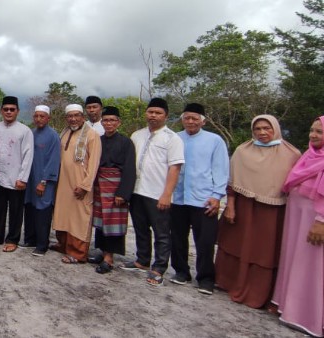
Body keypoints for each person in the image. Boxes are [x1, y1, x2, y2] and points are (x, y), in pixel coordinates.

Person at [215, 115, 300, 308]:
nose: (262, 133)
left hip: (272, 211)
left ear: (276, 129)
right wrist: (230, 205)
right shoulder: (243, 151)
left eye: (266, 128)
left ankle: (259, 293)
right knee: (236, 245)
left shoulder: (291, 154)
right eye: (258, 129)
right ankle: (228, 282)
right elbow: (233, 183)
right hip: (244, 207)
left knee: (264, 252)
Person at [121, 98, 184, 287]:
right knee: (140, 228)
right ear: (146, 113)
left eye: (158, 113)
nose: (153, 116)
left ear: (165, 116)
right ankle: (142, 259)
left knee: (162, 232)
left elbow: (175, 169)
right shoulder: (137, 135)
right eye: (151, 112)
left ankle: (159, 268)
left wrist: (167, 194)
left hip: (157, 193)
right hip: (137, 190)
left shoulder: (172, 138)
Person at [271, 116, 324, 337]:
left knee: (311, 265)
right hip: (297, 214)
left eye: (319, 132)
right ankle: (287, 306)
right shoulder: (308, 155)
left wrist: (321, 221)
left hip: (315, 219)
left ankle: (308, 316)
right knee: (292, 258)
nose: (313, 135)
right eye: (312, 131)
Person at [170, 103, 229, 294]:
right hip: (178, 197)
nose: (191, 121)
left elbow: (221, 169)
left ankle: (205, 278)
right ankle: (181, 272)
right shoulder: (175, 138)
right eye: (187, 118)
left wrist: (217, 195)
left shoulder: (214, 140)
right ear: (182, 119)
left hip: (203, 198)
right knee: (177, 237)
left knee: (205, 241)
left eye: (195, 118)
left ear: (203, 121)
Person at [0, 96, 33, 252]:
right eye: (6, 109)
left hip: (16, 178)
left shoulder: (25, 131)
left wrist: (22, 178)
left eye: (12, 109)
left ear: (17, 111)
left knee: (16, 212)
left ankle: (12, 239)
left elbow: (28, 156)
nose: (9, 112)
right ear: (1, 110)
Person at [52, 104, 102, 264]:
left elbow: (94, 163)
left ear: (82, 117)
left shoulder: (92, 135)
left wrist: (85, 185)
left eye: (76, 115)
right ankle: (64, 244)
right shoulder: (65, 132)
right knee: (64, 213)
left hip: (80, 184)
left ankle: (78, 253)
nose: (73, 119)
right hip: (64, 182)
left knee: (79, 217)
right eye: (70, 116)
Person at [91, 106, 136, 273]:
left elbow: (130, 169)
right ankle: (102, 252)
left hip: (115, 185)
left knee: (113, 222)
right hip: (99, 184)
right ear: (102, 122)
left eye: (112, 120)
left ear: (118, 122)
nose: (109, 123)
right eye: (106, 120)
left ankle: (109, 258)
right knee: (100, 221)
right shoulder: (98, 140)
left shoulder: (126, 142)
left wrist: (123, 193)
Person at [23, 105, 60, 257]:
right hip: (30, 178)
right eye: (36, 116)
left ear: (48, 118)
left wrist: (43, 181)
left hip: (44, 181)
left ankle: (42, 244)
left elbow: (54, 160)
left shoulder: (53, 136)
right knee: (30, 208)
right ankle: (30, 239)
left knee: (42, 210)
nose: (38, 119)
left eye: (42, 116)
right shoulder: (31, 133)